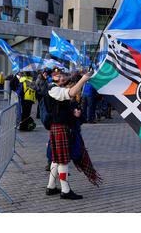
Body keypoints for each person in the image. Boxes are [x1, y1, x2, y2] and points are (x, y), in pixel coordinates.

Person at [45, 69, 92, 200]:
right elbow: (70, 93)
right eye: (60, 75)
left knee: (56, 159)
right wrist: (83, 80)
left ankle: (51, 187)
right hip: (59, 127)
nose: (64, 78)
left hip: (60, 126)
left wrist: (74, 113)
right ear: (54, 77)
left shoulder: (56, 87)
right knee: (63, 161)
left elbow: (66, 101)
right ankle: (65, 190)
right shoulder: (52, 89)